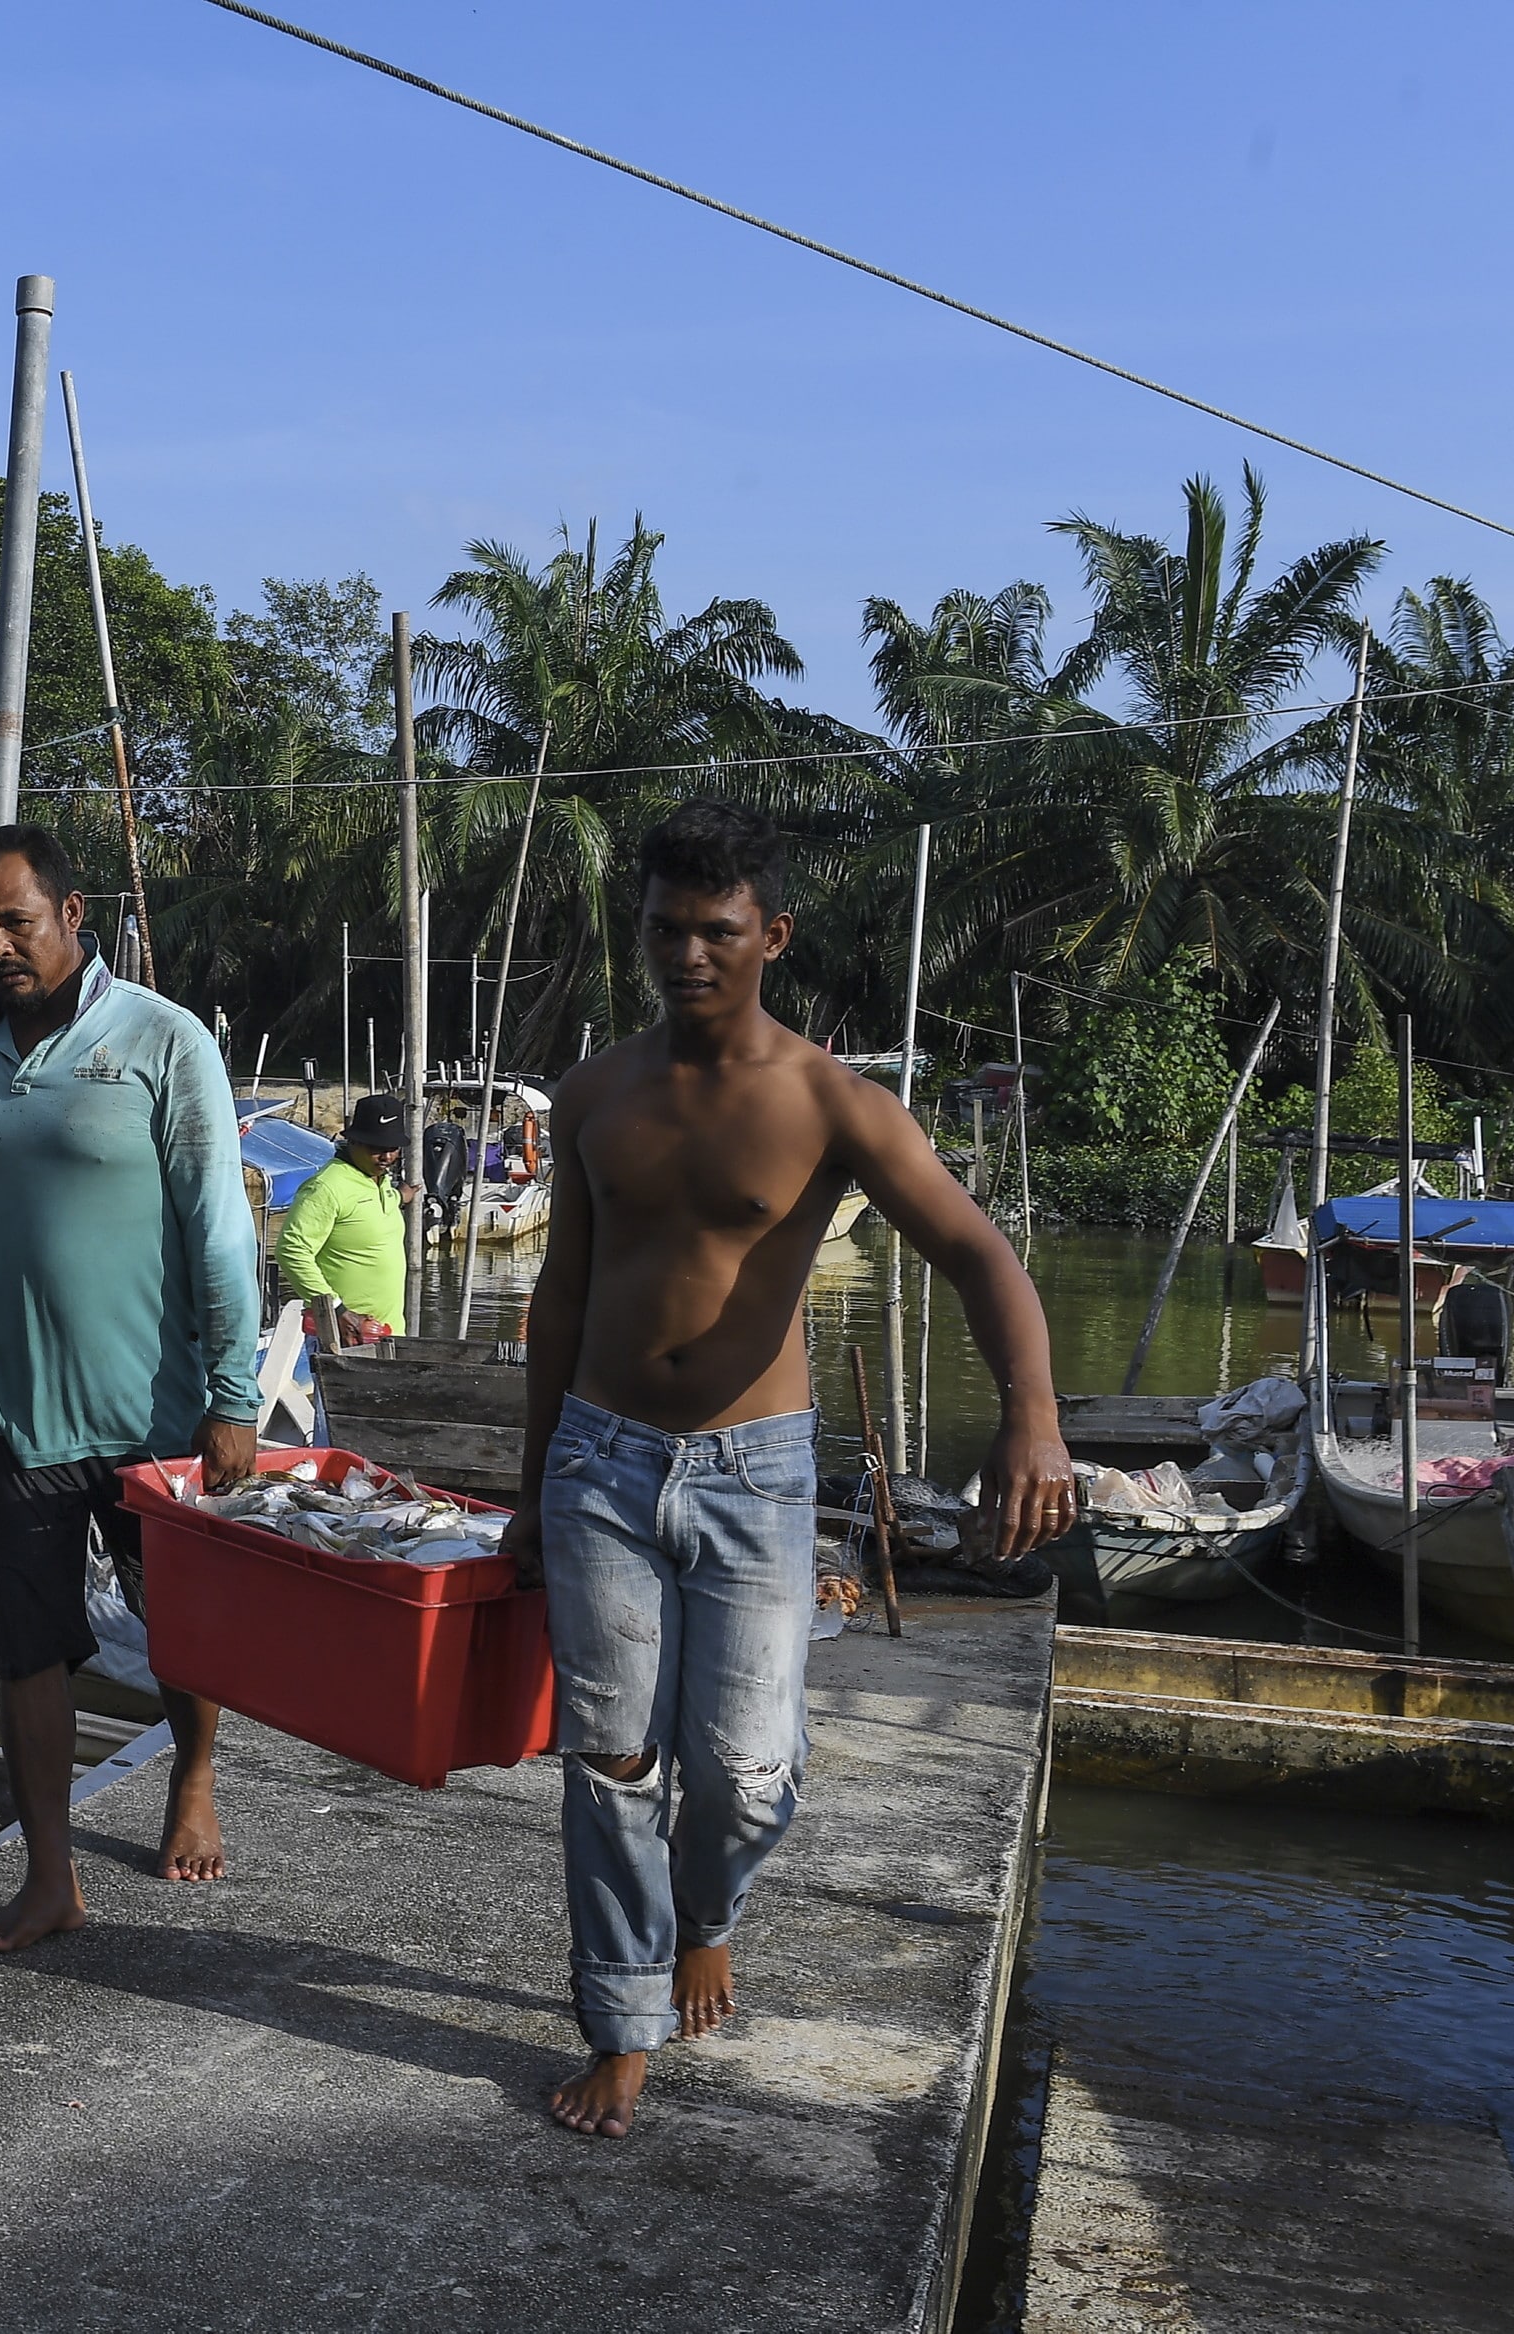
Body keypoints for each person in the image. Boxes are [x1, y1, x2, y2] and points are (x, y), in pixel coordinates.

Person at [500, 799, 1076, 2139]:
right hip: (599, 1462)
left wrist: (1032, 1412)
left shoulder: (832, 1102)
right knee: (612, 1759)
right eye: (662, 929)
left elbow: (981, 1253)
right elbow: (559, 1304)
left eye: (716, 930)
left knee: (747, 1771)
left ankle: (706, 1913)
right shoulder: (594, 1093)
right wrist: (532, 1488)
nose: (685, 955)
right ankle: (622, 2020)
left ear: (773, 934)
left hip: (756, 1476)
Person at [0, 823, 265, 1951]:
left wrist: (232, 1401)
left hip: (153, 1414)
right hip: (15, 1410)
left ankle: (193, 1774)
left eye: (16, 920)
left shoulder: (162, 1039)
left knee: (178, 1630)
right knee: (25, 1649)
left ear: (71, 915)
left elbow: (221, 1237)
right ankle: (50, 1877)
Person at [277, 1091, 411, 1345]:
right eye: (376, 1148)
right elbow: (292, 1251)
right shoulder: (326, 1187)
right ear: (354, 1142)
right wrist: (337, 1310)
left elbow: (371, 1209)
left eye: (392, 1149)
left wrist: (400, 1197)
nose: (386, 1157)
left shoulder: (379, 1181)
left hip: (389, 1333)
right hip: (345, 1334)